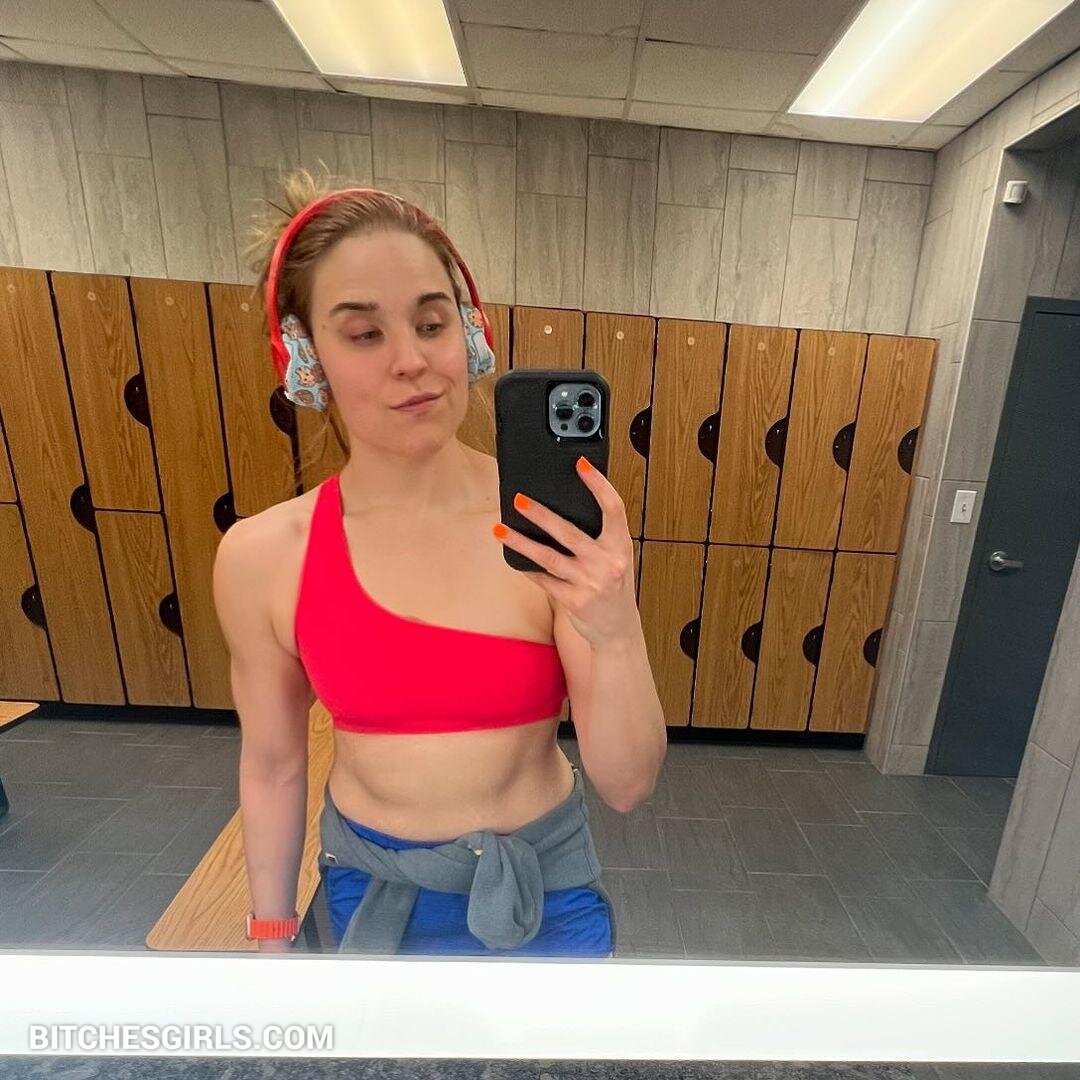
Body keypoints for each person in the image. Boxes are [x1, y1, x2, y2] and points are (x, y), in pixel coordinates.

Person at [212, 168, 667, 957]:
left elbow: (628, 786)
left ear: (471, 333)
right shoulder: (263, 558)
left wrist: (616, 627)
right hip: (372, 898)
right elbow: (274, 767)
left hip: (543, 897)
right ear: (305, 355)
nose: (411, 360)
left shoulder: (548, 529)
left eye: (431, 323)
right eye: (364, 334)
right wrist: (271, 938)